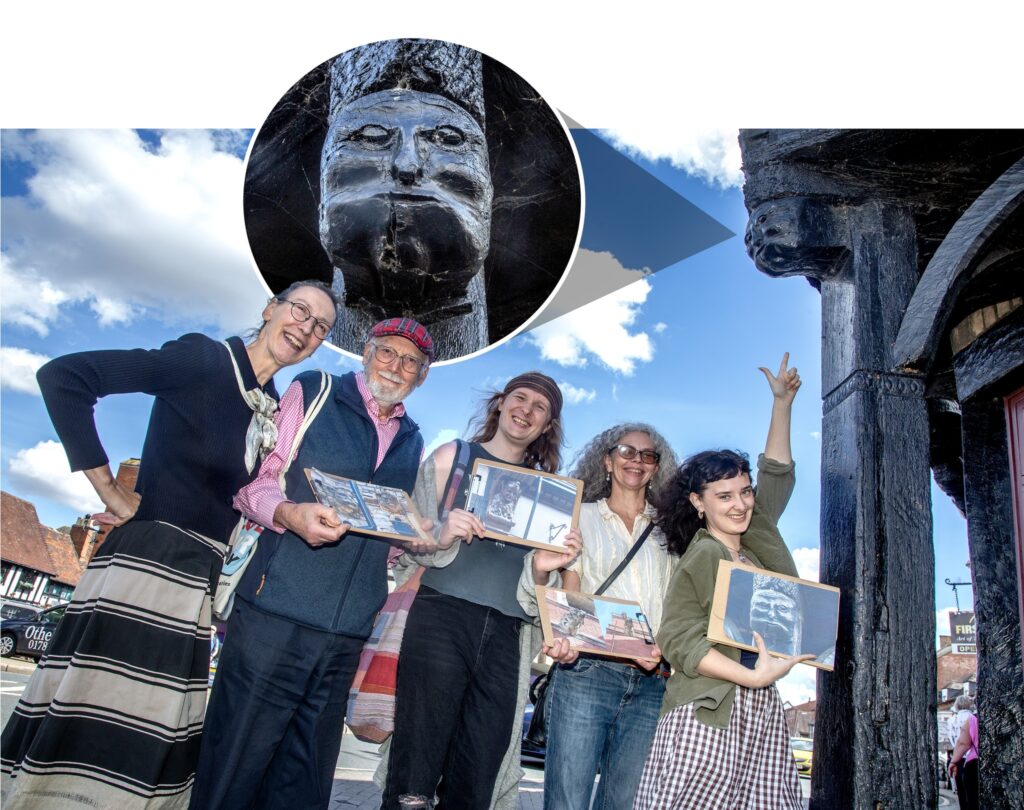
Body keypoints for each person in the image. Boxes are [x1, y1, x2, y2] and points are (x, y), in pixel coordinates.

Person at [0, 281, 339, 809]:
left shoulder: (271, 407)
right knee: (103, 722)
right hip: (146, 568)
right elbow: (65, 377)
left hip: (196, 581)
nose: (306, 328)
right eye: (300, 310)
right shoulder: (202, 360)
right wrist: (110, 490)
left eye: (320, 327)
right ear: (270, 308)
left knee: (149, 735)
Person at [190, 317, 434, 810]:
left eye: (411, 361)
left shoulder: (413, 439)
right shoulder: (315, 390)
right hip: (274, 613)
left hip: (346, 635)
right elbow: (252, 480)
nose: (396, 366)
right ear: (366, 353)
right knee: (234, 765)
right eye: (387, 352)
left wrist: (412, 538)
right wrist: (288, 514)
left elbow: (381, 539)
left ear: (421, 377)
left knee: (303, 785)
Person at [380, 372, 581, 810]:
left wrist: (542, 568)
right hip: (440, 616)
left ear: (547, 426)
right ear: (500, 403)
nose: (526, 410)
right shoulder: (453, 456)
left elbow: (540, 591)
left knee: (477, 775)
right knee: (415, 769)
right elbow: (404, 537)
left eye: (540, 407)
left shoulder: (552, 495)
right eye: (519, 398)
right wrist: (440, 532)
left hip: (509, 635)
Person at [633, 354, 815, 810]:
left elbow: (776, 473)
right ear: (699, 502)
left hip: (760, 708)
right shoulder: (704, 553)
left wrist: (782, 405)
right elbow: (678, 638)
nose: (740, 504)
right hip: (709, 709)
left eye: (745, 492)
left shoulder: (755, 542)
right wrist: (751, 677)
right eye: (724, 496)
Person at [543, 423, 678, 810]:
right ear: (607, 460)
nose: (637, 460)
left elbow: (677, 604)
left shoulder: (670, 530)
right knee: (567, 802)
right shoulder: (579, 516)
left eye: (647, 455)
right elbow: (571, 591)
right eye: (626, 451)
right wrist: (565, 638)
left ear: (656, 468)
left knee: (624, 803)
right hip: (587, 672)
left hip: (652, 684)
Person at [947, 695, 978, 809]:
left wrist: (953, 761)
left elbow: (961, 743)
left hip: (966, 759)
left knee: (966, 796)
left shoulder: (953, 720)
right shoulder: (971, 716)